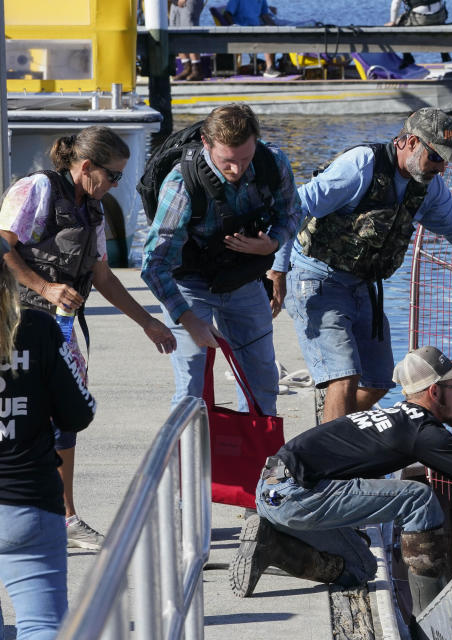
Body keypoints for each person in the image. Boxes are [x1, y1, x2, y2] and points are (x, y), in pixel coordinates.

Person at [230, 345, 452, 614]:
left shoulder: (395, 417)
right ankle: (430, 613)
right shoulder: (421, 430)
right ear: (434, 392)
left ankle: (271, 544)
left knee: (360, 569)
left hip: (271, 489)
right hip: (296, 495)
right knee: (418, 497)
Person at [274, 107, 452, 423]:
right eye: (436, 156)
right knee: (343, 376)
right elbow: (294, 207)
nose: (441, 167)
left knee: (379, 380)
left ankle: (333, 433)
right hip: (316, 277)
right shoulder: (360, 167)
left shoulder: (429, 188)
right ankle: (334, 462)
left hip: (363, 285)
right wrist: (277, 269)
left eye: (446, 161)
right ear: (409, 143)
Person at [0, 126, 176, 551]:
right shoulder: (36, 190)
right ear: (85, 167)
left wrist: (147, 322)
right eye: (113, 175)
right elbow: (2, 247)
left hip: (59, 331)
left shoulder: (93, 208)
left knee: (64, 418)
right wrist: (45, 287)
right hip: (14, 323)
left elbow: (101, 274)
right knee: (13, 418)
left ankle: (66, 519)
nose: (117, 184)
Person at [141, 103, 300, 418]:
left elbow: (292, 213)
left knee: (262, 381)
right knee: (192, 387)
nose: (237, 170)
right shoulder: (181, 184)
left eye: (245, 159)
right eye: (227, 161)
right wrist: (188, 320)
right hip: (187, 283)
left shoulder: (273, 162)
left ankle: (256, 462)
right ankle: (188, 462)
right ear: (206, 143)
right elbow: (154, 265)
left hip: (242, 280)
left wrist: (272, 242)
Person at [0, 235, 97, 639]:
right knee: (41, 626)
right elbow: (78, 412)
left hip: (27, 502)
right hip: (26, 502)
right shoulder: (37, 328)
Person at [224, 0, 282, 77]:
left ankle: (281, 64)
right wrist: (234, 27)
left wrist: (277, 28)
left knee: (274, 31)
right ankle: (269, 69)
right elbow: (227, 14)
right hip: (242, 31)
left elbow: (265, 15)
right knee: (266, 35)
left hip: (255, 30)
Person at [386, 0, 452, 66]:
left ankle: (407, 57)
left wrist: (393, 21)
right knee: (439, 23)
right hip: (440, 15)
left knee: (399, 24)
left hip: (421, 18)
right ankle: (444, 53)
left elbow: (395, 4)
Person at [170, 0, 205, 82]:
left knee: (190, 32)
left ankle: (196, 69)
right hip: (174, 3)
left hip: (188, 2)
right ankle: (186, 68)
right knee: (176, 33)